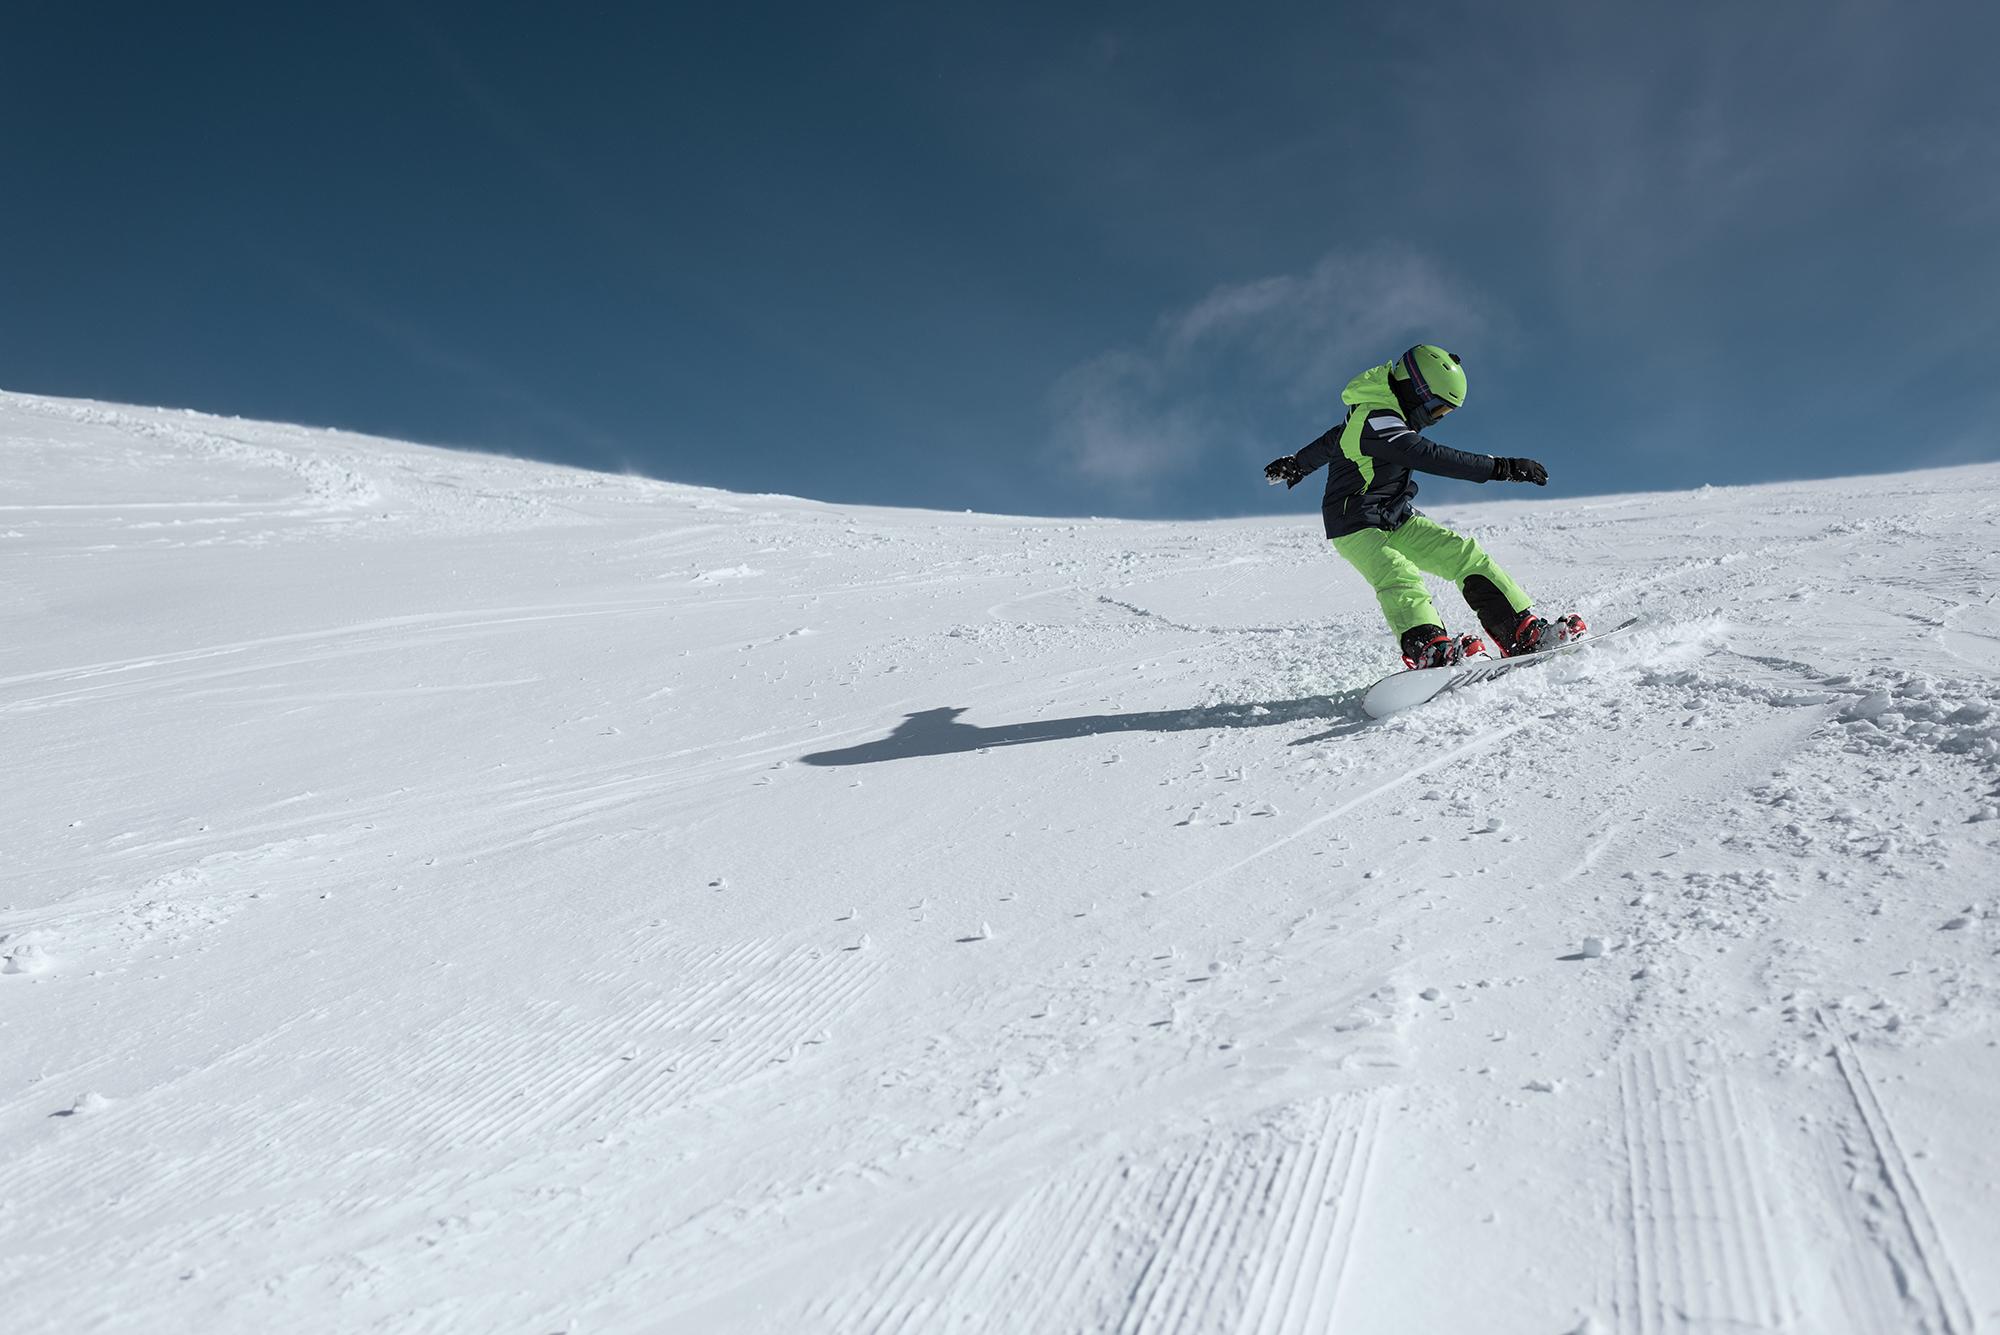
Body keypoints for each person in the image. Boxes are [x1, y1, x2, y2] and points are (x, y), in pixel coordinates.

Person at [1263, 343, 1584, 669]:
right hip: (1355, 521)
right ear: (1418, 392)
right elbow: (1425, 454)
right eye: (1438, 409)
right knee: (1398, 574)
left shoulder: (1379, 414)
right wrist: (1501, 467)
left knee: (1463, 554)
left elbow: (1333, 440)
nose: (1435, 419)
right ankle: (1429, 649)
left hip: (1395, 515)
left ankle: (1520, 633)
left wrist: (1298, 464)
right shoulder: (1376, 419)